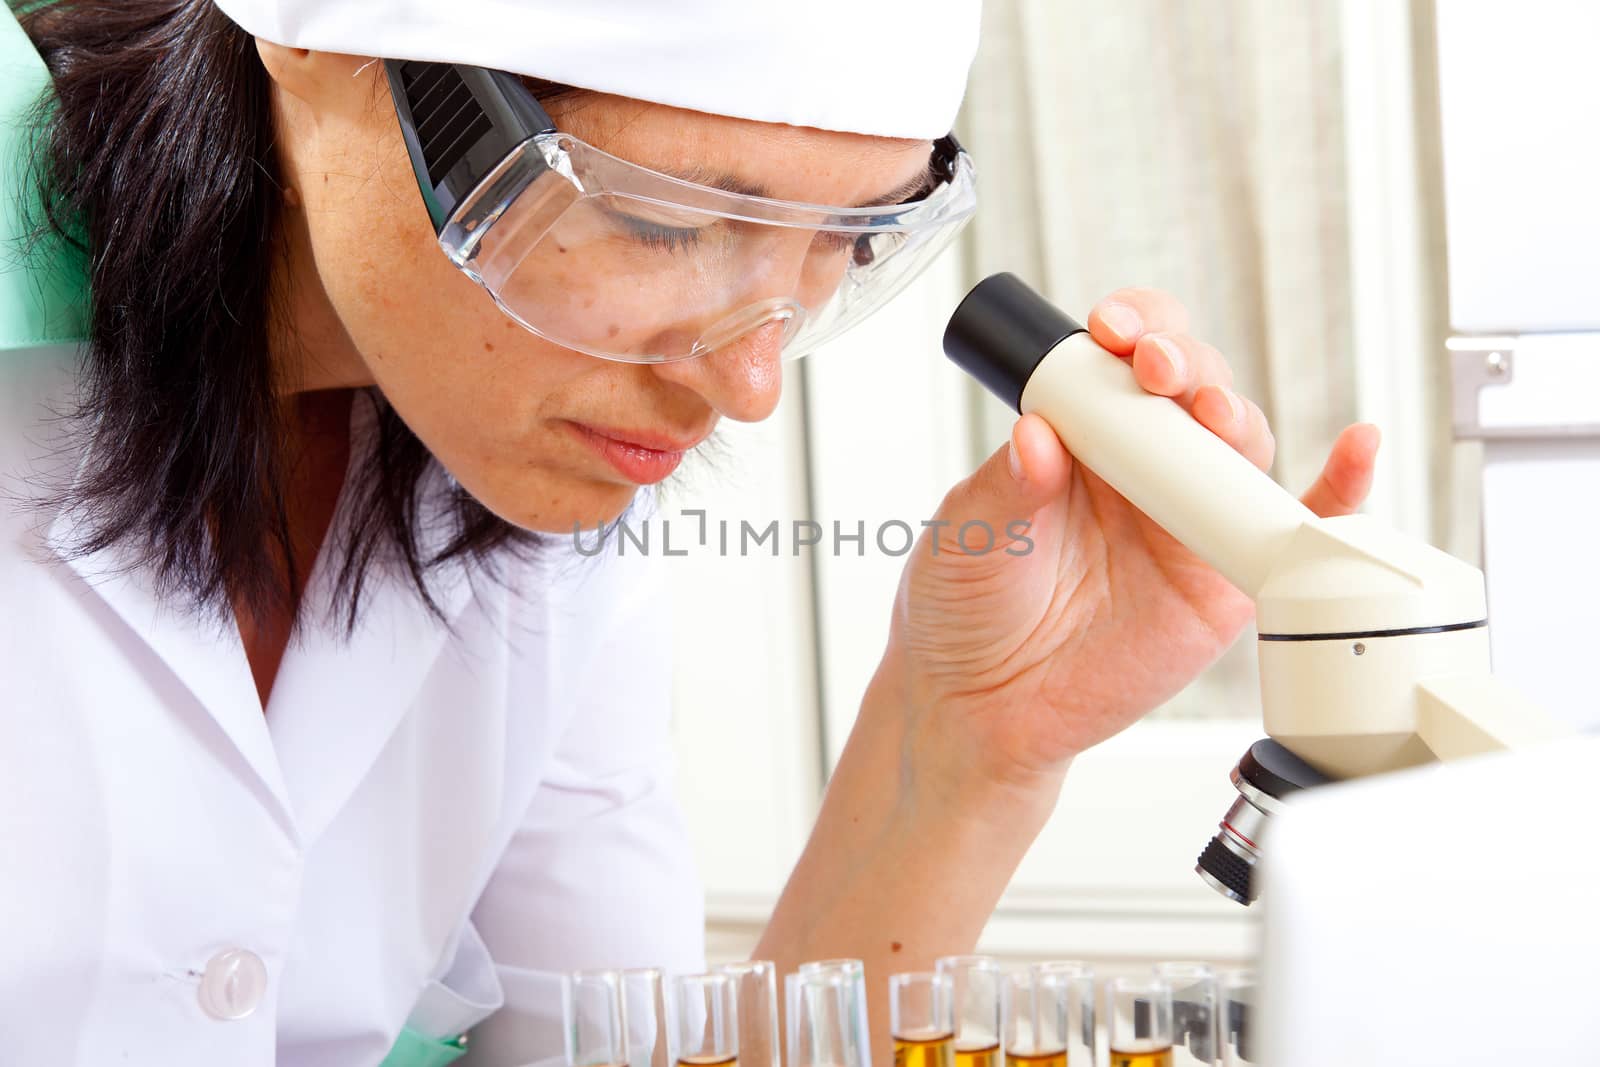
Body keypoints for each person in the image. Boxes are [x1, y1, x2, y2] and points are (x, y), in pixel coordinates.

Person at [0, 0, 1380, 1064]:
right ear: (314, 51)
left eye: (841, 243)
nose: (747, 383)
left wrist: (964, 747)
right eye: (662, 225)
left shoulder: (508, 457)